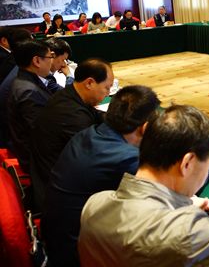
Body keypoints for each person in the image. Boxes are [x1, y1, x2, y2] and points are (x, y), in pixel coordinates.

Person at [78, 104, 209, 266]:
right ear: (187, 163)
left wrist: (185, 203)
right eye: (208, 166)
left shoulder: (95, 204)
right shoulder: (185, 232)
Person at [43, 85, 160, 267]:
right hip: (76, 254)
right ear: (145, 128)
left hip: (56, 240)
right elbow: (172, 185)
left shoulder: (87, 134)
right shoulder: (125, 158)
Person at [31, 58, 113, 204]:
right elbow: (97, 156)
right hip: (60, 193)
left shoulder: (70, 94)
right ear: (89, 83)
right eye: (107, 88)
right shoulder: (71, 114)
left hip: (57, 173)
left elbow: (96, 114)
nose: (108, 94)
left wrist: (120, 120)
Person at [6, 40, 55, 172]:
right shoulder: (29, 92)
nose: (52, 61)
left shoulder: (25, 79)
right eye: (50, 57)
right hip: (38, 163)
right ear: (37, 61)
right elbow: (42, 135)